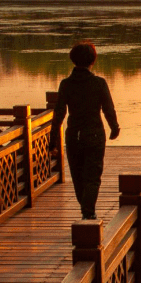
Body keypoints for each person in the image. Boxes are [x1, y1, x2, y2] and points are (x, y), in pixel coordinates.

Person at [49, 42, 119, 220]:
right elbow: (108, 109)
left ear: (73, 60)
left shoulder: (66, 84)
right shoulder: (98, 83)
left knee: (78, 174)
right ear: (93, 61)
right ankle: (88, 211)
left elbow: (59, 115)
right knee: (93, 175)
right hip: (95, 133)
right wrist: (114, 127)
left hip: (73, 135)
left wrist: (52, 141)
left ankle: (87, 209)